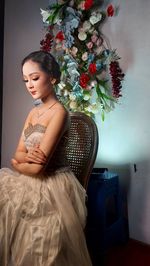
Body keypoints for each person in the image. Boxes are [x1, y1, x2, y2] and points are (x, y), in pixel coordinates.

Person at [0, 51, 92, 266]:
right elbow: (17, 153)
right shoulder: (34, 113)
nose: (29, 85)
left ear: (52, 77)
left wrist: (18, 164)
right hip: (27, 181)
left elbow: (37, 169)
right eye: (25, 80)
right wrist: (21, 160)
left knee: (36, 234)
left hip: (52, 184)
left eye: (35, 78)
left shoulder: (59, 112)